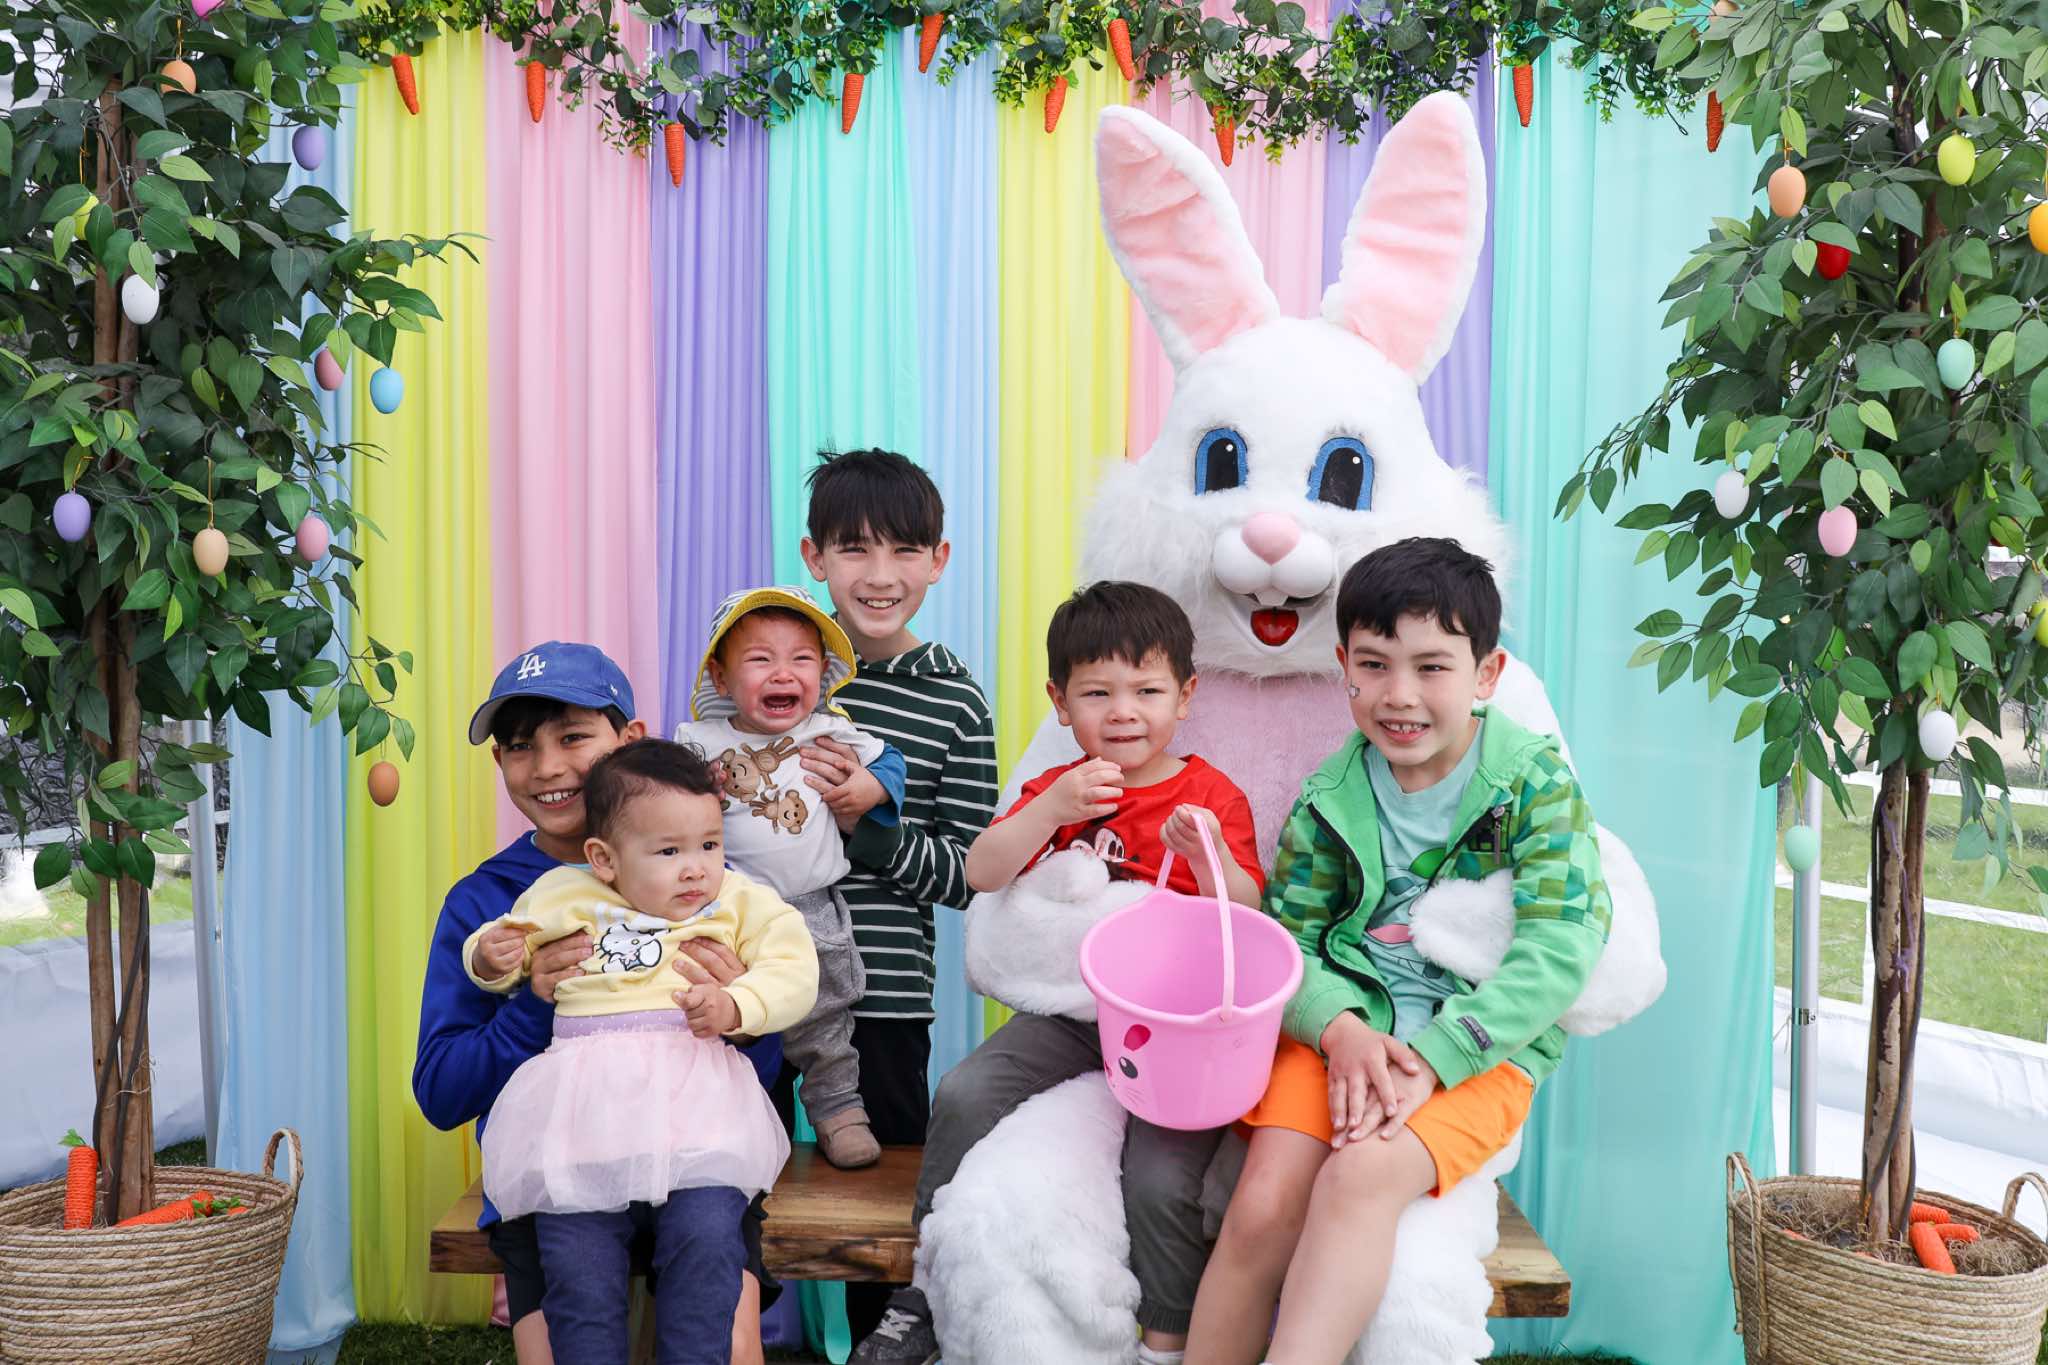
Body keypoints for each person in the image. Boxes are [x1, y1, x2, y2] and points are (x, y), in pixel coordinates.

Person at [1183, 538, 1611, 1365]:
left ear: (1487, 673)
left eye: (1431, 666)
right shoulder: (1330, 795)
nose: (1399, 694)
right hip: (1340, 1034)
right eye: (1374, 665)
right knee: (1263, 1202)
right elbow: (1286, 944)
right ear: (1342, 664)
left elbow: (1563, 946)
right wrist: (1338, 1028)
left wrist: (1441, 1054)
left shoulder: (1534, 784)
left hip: (1482, 1050)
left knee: (1357, 1177)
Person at [853, 581, 1262, 1365]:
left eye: (1147, 691)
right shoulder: (1060, 788)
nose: (1124, 712)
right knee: (964, 1091)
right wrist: (1050, 810)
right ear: (1060, 702)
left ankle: (1166, 1340)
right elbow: (982, 871)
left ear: (1186, 695)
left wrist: (1208, 853)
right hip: (1072, 1014)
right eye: (1097, 692)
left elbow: (1249, 916)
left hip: (1173, 1034)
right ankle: (924, 1286)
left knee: (1159, 1178)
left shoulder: (1210, 794)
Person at [412, 643, 778, 1365]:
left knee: (726, 1343)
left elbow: (763, 1077)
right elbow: (442, 1092)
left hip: (697, 1166)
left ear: (629, 739)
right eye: (521, 747)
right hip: (557, 1178)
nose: (548, 766)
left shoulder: (705, 883)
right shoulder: (491, 906)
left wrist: (741, 1014)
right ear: (500, 762)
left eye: (574, 736)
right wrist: (532, 1005)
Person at [468, 739, 817, 1365]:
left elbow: (796, 968)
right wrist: (489, 959)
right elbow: (505, 945)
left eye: (709, 844)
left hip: (698, 1122)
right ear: (603, 859)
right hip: (585, 1125)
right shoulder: (562, 895)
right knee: (577, 1265)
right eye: (669, 851)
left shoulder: (738, 901)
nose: (696, 869)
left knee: (707, 1242)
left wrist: (739, 1005)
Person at [794, 449, 999, 1339]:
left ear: (939, 559)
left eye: (904, 550)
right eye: (854, 548)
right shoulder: (774, 666)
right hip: (753, 981)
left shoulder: (955, 700)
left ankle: (880, 1342)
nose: (880, 575)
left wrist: (870, 828)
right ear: (815, 556)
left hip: (883, 992)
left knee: (878, 1200)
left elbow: (973, 872)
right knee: (736, 1172)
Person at [673, 585, 907, 1168]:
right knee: (733, 1017)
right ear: (722, 678)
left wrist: (871, 788)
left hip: (810, 907)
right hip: (730, 915)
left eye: (801, 659)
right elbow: (659, 799)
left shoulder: (829, 732)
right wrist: (694, 791)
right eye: (760, 659)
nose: (783, 673)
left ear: (822, 673)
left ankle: (839, 1112)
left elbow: (891, 761)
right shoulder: (701, 744)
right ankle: (738, 1127)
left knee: (824, 1016)